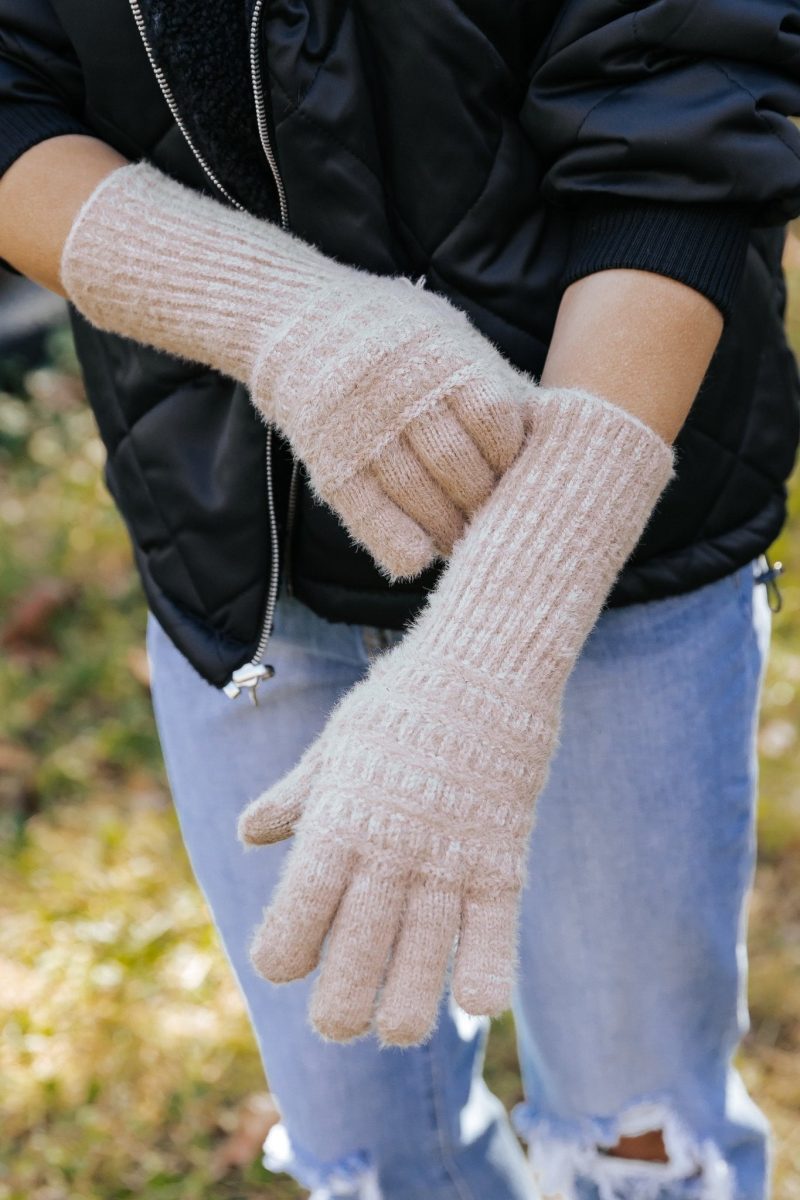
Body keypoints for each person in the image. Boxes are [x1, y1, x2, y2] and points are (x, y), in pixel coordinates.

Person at [1, 3, 799, 1197]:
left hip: (608, 540)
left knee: (641, 1139)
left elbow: (690, 123)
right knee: (366, 1157)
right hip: (242, 551)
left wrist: (504, 627)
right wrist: (276, 314)